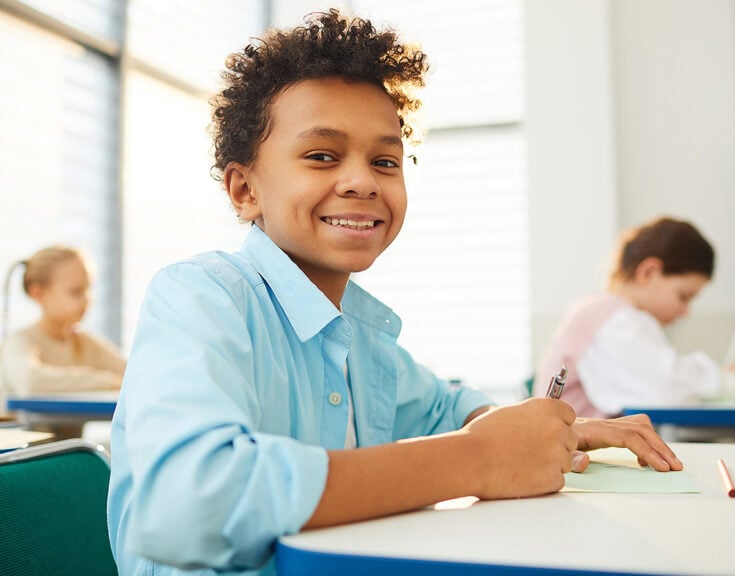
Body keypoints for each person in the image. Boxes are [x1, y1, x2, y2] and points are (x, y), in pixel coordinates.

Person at [107, 10, 682, 576]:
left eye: (385, 161)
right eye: (322, 156)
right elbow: (186, 504)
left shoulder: (358, 332)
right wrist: (479, 460)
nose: (362, 180)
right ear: (243, 189)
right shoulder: (202, 297)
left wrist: (553, 432)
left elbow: (448, 410)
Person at [533, 216, 735, 418]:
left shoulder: (602, 311)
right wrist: (727, 382)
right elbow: (664, 388)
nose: (686, 311)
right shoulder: (614, 321)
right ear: (649, 272)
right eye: (683, 296)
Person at [0, 246, 125, 425]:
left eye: (89, 288)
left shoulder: (85, 342)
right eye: (75, 291)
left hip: (68, 450)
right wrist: (105, 381)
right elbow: (30, 383)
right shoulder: (19, 342)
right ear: (38, 293)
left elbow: (132, 371)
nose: (87, 299)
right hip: (25, 451)